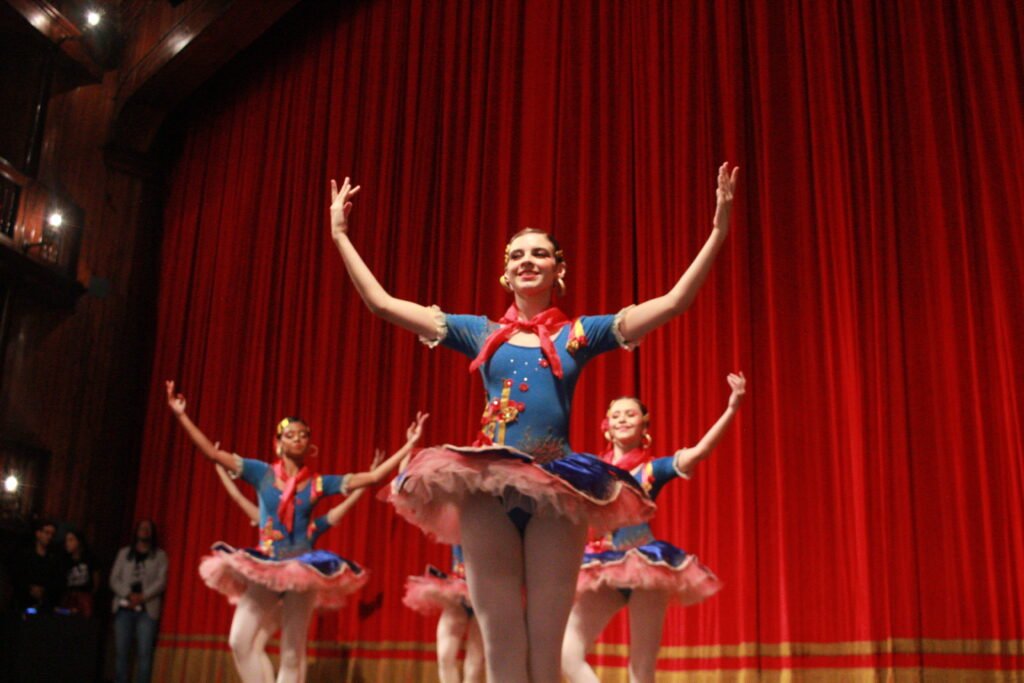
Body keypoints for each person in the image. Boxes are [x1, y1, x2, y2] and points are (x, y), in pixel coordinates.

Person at [329, 162, 739, 682]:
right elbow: (381, 303)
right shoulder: (479, 333)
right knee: (501, 642)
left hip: (557, 490)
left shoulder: (579, 335)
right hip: (486, 487)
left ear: (558, 269)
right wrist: (341, 236)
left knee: (545, 649)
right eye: (517, 254)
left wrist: (717, 230)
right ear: (505, 272)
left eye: (539, 253)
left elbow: (674, 303)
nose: (527, 260)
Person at [166, 381, 427, 683]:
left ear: (310, 445)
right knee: (239, 640)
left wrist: (409, 444)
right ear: (278, 443)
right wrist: (181, 415)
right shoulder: (261, 473)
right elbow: (212, 453)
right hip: (267, 565)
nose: (298, 439)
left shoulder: (317, 483)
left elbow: (372, 477)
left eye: (303, 435)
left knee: (292, 652)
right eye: (290, 435)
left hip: (302, 570)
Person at [561, 373, 747, 683]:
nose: (622, 420)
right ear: (607, 426)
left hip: (645, 565)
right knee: (566, 652)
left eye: (630, 414)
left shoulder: (651, 469)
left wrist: (732, 407)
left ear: (644, 426)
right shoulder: (592, 469)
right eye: (616, 416)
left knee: (642, 667)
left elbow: (699, 452)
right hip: (603, 565)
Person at [402, 545, 484, 683]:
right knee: (445, 656)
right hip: (457, 595)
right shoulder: (453, 532)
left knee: (474, 665)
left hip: (481, 596)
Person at [110, 519, 168, 683]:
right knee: (121, 652)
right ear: (136, 531)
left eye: (147, 528)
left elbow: (161, 581)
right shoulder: (124, 553)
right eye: (142, 528)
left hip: (147, 611)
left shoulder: (160, 556)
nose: (144, 531)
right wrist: (128, 594)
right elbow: (114, 579)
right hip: (124, 608)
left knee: (144, 654)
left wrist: (143, 596)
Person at [13, 519, 60, 612]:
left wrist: (44, 591)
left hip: (44, 604)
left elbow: (56, 580)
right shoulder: (25, 555)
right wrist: (30, 588)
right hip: (22, 601)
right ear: (38, 533)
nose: (50, 537)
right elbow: (17, 575)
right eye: (47, 533)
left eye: (52, 534)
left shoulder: (54, 559)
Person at [59, 527, 100, 617]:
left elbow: (96, 579)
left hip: (85, 598)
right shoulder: (63, 559)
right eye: (66, 540)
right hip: (68, 597)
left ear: (79, 541)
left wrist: (90, 595)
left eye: (71, 540)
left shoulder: (90, 558)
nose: (67, 543)